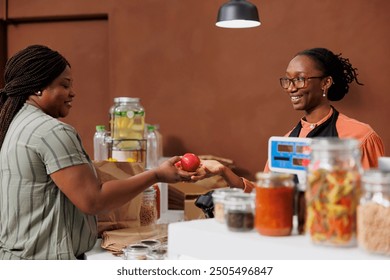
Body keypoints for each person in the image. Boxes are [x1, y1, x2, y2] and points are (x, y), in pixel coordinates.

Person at [0, 45, 196, 260]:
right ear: (37, 88)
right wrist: (156, 175)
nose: (72, 93)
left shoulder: (15, 123)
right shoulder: (52, 131)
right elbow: (94, 200)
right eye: (64, 85)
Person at [193, 47, 385, 193]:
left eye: (300, 79)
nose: (291, 88)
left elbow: (376, 201)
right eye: (287, 80)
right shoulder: (286, 142)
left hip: (336, 239)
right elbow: (268, 194)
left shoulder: (360, 137)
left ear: (326, 82)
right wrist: (223, 172)